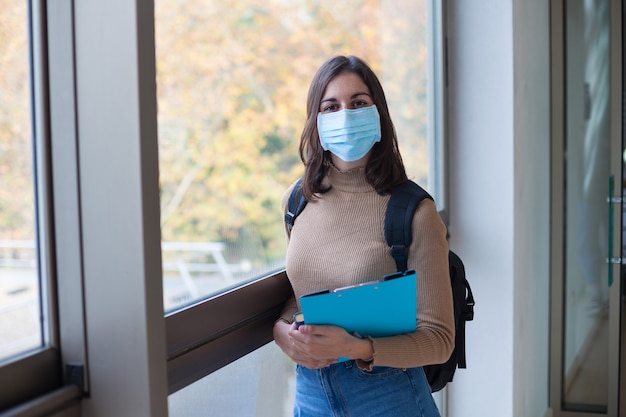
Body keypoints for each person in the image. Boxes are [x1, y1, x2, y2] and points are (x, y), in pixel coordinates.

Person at [273, 55, 455, 417]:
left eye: (358, 103)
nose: (345, 115)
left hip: (389, 398)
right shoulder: (296, 201)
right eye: (331, 106)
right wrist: (283, 334)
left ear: (378, 114)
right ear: (317, 121)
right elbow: (299, 299)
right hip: (310, 396)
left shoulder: (414, 211)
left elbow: (439, 340)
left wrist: (358, 347)